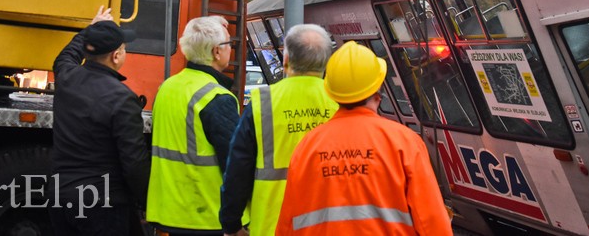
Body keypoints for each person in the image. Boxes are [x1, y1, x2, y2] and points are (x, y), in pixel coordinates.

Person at [276, 41, 454, 235]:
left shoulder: (306, 147)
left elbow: (287, 224)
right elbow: (432, 221)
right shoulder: (404, 142)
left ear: (332, 93)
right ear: (377, 92)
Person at [220, 24, 338, 236]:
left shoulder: (262, 102)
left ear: (286, 60)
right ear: (326, 62)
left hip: (272, 225)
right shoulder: (340, 102)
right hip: (329, 226)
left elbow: (238, 170)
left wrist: (231, 224)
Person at [50, 6, 150, 236]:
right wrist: (147, 202)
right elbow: (134, 162)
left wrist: (91, 30)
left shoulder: (66, 78)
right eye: (124, 49)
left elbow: (66, 56)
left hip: (60, 198)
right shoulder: (122, 98)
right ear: (116, 56)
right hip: (103, 204)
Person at [146, 16, 247, 235]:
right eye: (229, 44)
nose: (231, 49)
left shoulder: (167, 87)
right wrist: (236, 223)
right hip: (206, 216)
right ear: (216, 51)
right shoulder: (217, 97)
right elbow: (234, 165)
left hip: (169, 212)